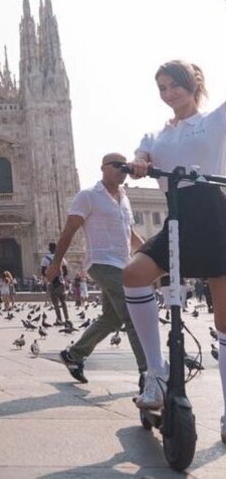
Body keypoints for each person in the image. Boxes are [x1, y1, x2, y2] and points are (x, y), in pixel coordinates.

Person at [120, 61, 226, 442]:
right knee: (133, 274)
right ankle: (157, 372)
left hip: (212, 211)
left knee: (225, 321)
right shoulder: (155, 134)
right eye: (162, 88)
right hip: (176, 215)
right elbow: (142, 158)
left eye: (173, 85)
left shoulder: (214, 121)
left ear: (192, 83)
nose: (168, 93)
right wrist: (139, 165)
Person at [45, 152, 147, 384]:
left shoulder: (124, 198)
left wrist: (151, 257)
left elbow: (130, 235)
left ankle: (73, 355)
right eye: (117, 165)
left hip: (124, 264)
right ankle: (148, 373)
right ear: (103, 168)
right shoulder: (88, 196)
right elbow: (69, 230)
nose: (123, 169)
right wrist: (55, 263)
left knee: (112, 319)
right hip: (101, 263)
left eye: (125, 166)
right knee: (132, 314)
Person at [41, 243, 69, 324]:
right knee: (63, 302)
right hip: (60, 282)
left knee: (55, 303)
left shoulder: (45, 259)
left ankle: (59, 319)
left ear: (49, 249)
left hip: (52, 283)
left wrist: (49, 277)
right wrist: (61, 277)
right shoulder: (61, 258)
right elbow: (66, 271)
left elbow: (43, 271)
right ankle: (67, 318)